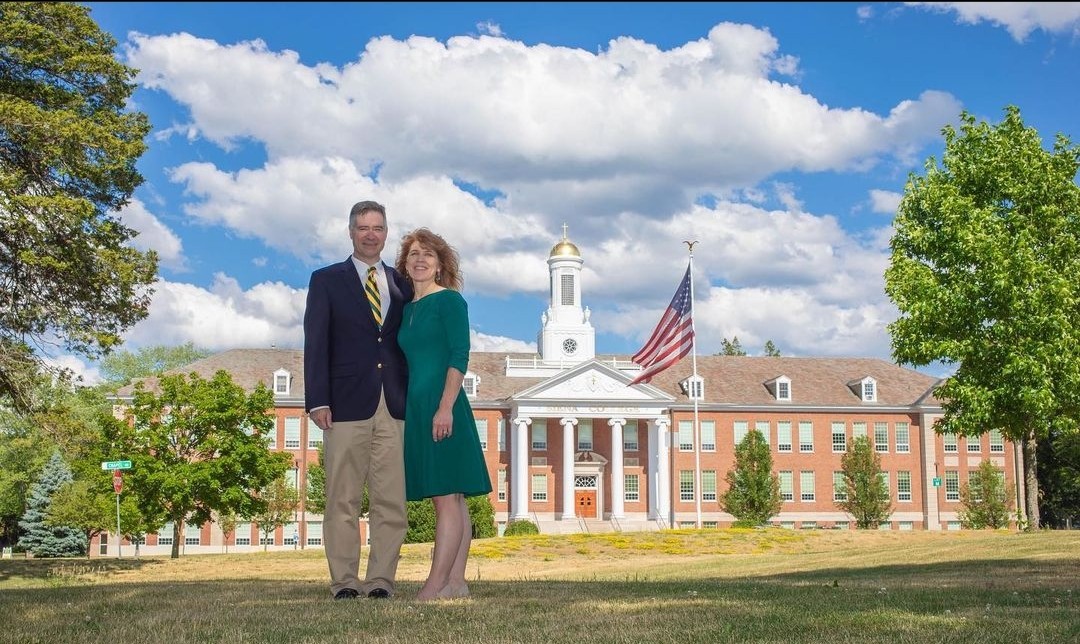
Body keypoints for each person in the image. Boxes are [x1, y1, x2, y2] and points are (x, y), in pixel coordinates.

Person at [303, 200, 412, 600]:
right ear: (350, 232)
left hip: (395, 405)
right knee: (342, 499)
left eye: (378, 228)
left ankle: (382, 580)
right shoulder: (326, 280)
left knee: (391, 500)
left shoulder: (402, 283)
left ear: (386, 233)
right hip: (345, 404)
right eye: (363, 227)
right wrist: (318, 399)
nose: (370, 234)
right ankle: (345, 582)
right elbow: (316, 342)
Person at [395, 228, 492, 601]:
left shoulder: (450, 301)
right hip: (420, 409)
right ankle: (456, 583)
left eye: (428, 255)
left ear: (440, 264)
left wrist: (446, 407)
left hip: (444, 407)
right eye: (414, 254)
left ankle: (433, 586)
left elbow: (458, 355)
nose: (420, 259)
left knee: (445, 497)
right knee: (454, 499)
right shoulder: (408, 310)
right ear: (405, 264)